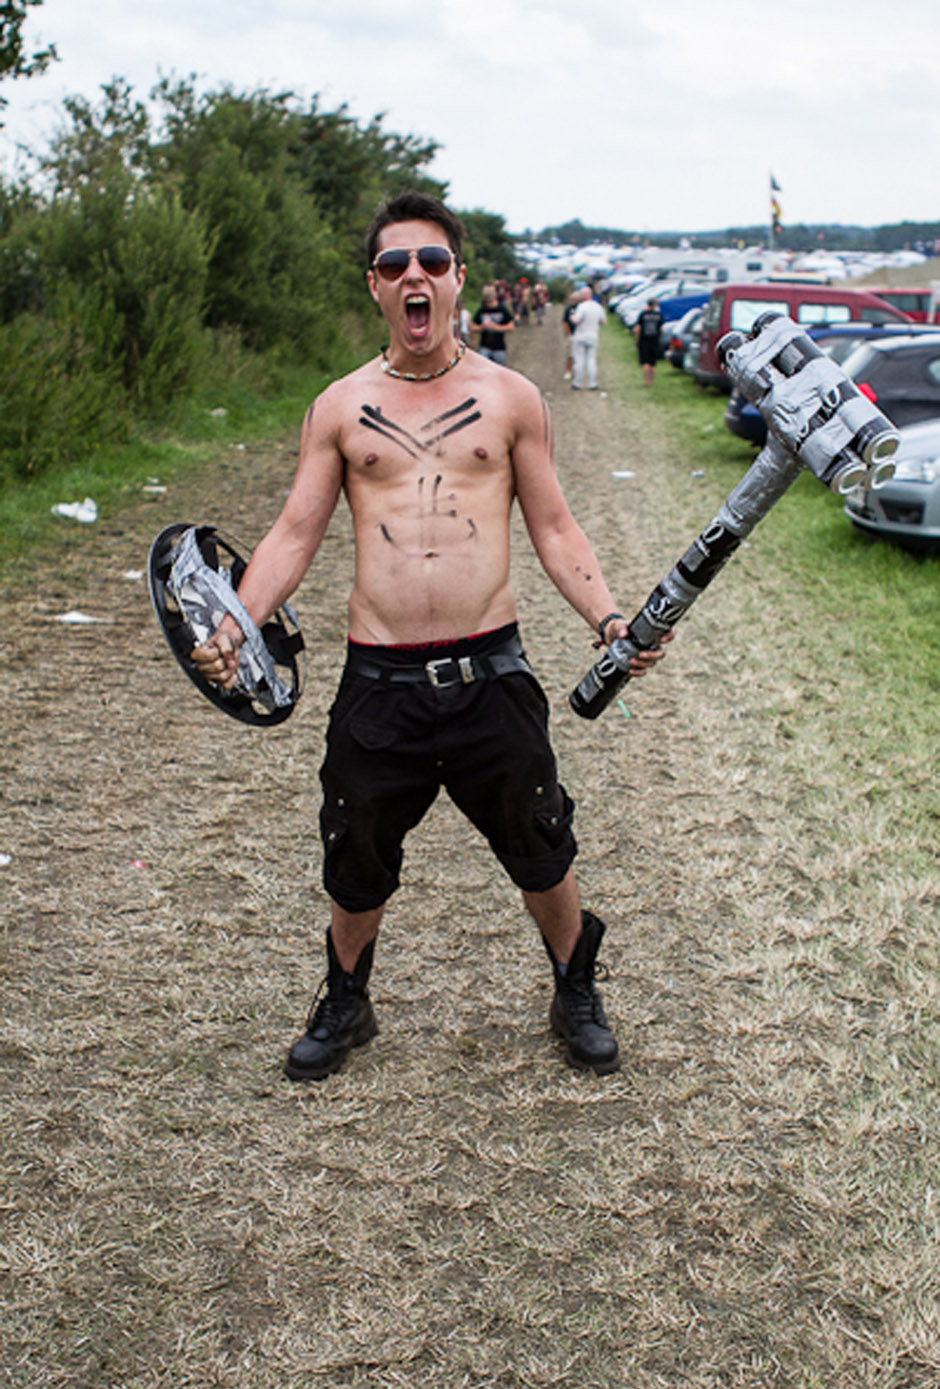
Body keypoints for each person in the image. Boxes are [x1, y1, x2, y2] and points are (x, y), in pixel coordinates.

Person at [192, 190, 669, 1083]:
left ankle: (574, 988)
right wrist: (236, 622)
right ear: (375, 287)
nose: (415, 275)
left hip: (491, 672)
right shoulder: (340, 406)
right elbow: (293, 533)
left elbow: (555, 527)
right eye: (394, 264)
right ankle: (347, 999)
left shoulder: (511, 397)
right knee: (355, 848)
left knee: (541, 840)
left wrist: (608, 619)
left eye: (433, 261)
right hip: (379, 680)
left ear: (459, 280)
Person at [569, 285, 606, 391]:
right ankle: (592, 384)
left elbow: (576, 320)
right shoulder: (598, 306)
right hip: (593, 334)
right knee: (591, 359)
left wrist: (572, 316)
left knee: (579, 360)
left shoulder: (581, 307)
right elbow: (603, 321)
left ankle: (577, 383)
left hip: (581, 334)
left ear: (584, 296)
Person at [471, 282, 515, 365]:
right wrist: (482, 328)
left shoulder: (502, 309)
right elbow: (473, 327)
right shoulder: (481, 310)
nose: (488, 297)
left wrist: (495, 328)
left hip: (499, 348)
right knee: (482, 367)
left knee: (500, 369)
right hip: (484, 347)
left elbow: (511, 327)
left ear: (495, 295)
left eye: (489, 294)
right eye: (486, 295)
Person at [636, 297, 664, 388]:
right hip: (655, 341)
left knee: (646, 362)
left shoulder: (643, 314)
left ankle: (646, 382)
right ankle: (651, 381)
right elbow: (662, 329)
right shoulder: (658, 315)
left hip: (644, 340)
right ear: (655, 305)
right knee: (653, 362)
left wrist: (637, 340)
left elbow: (637, 328)